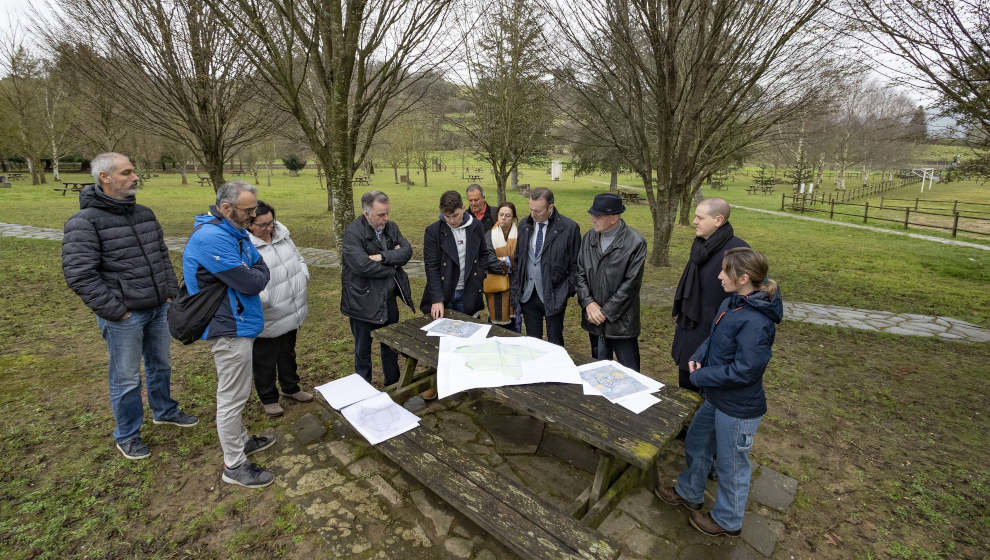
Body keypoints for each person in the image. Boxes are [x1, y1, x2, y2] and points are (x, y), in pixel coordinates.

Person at [62, 152, 198, 461]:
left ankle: (164, 410)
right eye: (127, 172)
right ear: (105, 178)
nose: (135, 177)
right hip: (124, 317)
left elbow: (161, 256)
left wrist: (168, 294)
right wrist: (116, 311)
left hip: (158, 308)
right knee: (125, 377)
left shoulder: (144, 214)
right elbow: (79, 274)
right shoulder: (84, 223)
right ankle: (127, 434)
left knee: (160, 364)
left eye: (133, 172)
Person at [655, 248, 782, 537]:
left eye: (726, 271)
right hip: (715, 398)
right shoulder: (732, 303)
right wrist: (699, 354)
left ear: (744, 278)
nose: (719, 275)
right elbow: (713, 339)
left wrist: (702, 375)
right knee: (697, 443)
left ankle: (727, 520)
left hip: (738, 408)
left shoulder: (757, 322)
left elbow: (746, 370)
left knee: (731, 466)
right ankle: (690, 492)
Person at [183, 181, 275, 489]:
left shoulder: (233, 233)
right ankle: (234, 465)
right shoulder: (211, 238)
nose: (254, 216)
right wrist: (252, 274)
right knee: (232, 398)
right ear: (226, 208)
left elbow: (260, 268)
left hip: (240, 321)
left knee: (238, 392)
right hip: (228, 326)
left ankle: (242, 441)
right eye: (248, 211)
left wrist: (252, 273)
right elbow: (251, 282)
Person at [671, 197, 748, 392]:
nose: (694, 221)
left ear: (718, 220)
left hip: (714, 335)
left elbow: (744, 298)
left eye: (699, 218)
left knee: (704, 391)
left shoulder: (737, 252)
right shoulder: (700, 245)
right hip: (690, 325)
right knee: (685, 383)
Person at [340, 190, 414, 386]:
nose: (386, 218)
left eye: (387, 213)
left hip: (387, 298)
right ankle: (363, 389)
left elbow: (407, 251)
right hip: (361, 302)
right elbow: (361, 266)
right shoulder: (352, 233)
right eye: (381, 214)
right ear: (366, 214)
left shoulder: (391, 227)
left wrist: (383, 257)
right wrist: (393, 265)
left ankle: (394, 385)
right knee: (362, 350)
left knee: (390, 345)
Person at [247, 201, 312, 418]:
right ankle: (268, 398)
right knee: (265, 359)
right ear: (249, 224)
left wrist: (303, 275)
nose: (268, 228)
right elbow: (245, 279)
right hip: (267, 314)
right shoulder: (244, 246)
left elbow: (298, 258)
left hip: (291, 308)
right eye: (262, 225)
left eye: (271, 223)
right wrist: (266, 300)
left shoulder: (283, 235)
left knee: (287, 352)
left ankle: (291, 388)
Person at [575, 193, 647, 370]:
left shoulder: (635, 242)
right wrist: (589, 303)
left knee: (630, 373)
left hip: (621, 325)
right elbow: (580, 273)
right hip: (594, 319)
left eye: (598, 216)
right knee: (598, 370)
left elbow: (631, 285)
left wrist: (605, 313)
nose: (592, 219)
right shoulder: (589, 238)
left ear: (614, 217)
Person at [510, 187, 581, 347]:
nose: (533, 214)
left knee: (554, 343)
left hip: (554, 296)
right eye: (531, 209)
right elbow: (519, 260)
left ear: (550, 207)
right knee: (532, 343)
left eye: (538, 211)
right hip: (528, 296)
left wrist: (565, 291)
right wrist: (517, 291)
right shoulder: (524, 225)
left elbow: (576, 266)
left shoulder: (569, 229)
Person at [421, 190, 507, 320]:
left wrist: (479, 277)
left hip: (469, 292)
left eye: (455, 215)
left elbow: (483, 253)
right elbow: (431, 267)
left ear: (463, 208)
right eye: (447, 216)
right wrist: (437, 298)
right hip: (445, 293)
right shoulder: (433, 231)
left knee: (469, 333)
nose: (451, 220)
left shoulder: (476, 226)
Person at [484, 202, 519, 331]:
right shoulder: (490, 235)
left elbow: (522, 258)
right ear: (497, 216)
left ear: (513, 218)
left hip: (515, 285)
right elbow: (488, 258)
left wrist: (505, 261)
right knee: (496, 324)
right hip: (496, 286)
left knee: (514, 323)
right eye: (501, 214)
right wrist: (507, 265)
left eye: (508, 215)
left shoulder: (520, 235)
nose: (504, 217)